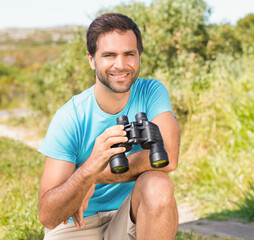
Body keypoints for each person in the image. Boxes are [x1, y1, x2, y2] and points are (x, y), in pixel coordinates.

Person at [37, 12, 180, 240]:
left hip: (129, 216)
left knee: (158, 183)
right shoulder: (70, 117)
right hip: (78, 222)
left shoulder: (151, 92)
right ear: (91, 59)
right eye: (109, 55)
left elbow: (168, 156)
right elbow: (48, 216)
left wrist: (95, 176)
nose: (121, 65)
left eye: (129, 54)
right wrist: (88, 168)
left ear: (139, 56)